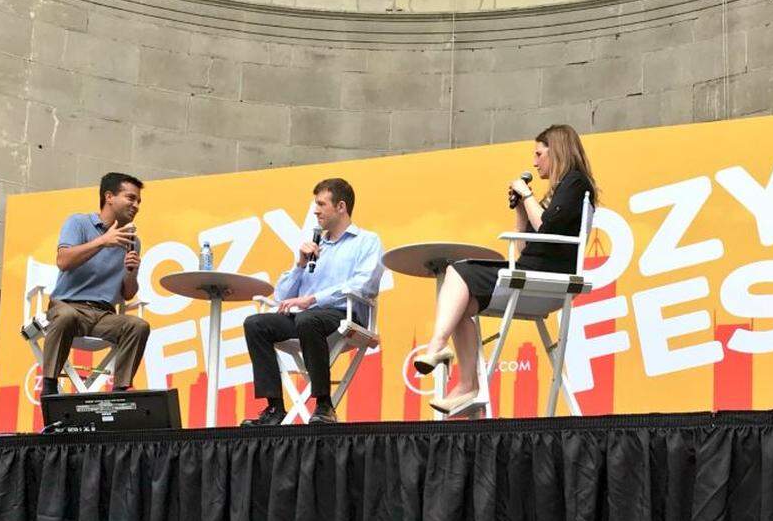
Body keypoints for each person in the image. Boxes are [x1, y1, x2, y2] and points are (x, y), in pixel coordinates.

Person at [413, 124, 598, 414]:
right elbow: (525, 249)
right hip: (533, 269)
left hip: (550, 277)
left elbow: (548, 228)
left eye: (539, 154)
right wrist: (520, 211)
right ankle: (466, 384)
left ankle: (438, 347)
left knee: (458, 272)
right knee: (462, 303)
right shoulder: (556, 193)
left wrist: (526, 195)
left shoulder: (576, 183)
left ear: (557, 150)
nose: (535, 162)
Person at [242, 178, 384, 425]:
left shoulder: (367, 241)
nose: (315, 210)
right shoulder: (315, 245)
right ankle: (274, 408)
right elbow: (282, 296)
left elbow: (365, 284)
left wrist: (314, 298)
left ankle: (324, 405)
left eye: (321, 204)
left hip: (344, 314)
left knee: (309, 318)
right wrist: (299, 264)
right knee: (255, 324)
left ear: (341, 206)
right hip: (309, 317)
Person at [40, 172, 150, 396]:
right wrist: (102, 241)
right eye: (131, 198)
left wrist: (131, 272)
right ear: (109, 197)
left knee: (138, 326)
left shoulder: (132, 241)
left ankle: (120, 391)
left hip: (104, 315)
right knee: (66, 317)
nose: (136, 205)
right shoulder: (79, 223)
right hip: (68, 307)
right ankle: (50, 387)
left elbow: (128, 294)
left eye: (138, 201)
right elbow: (63, 261)